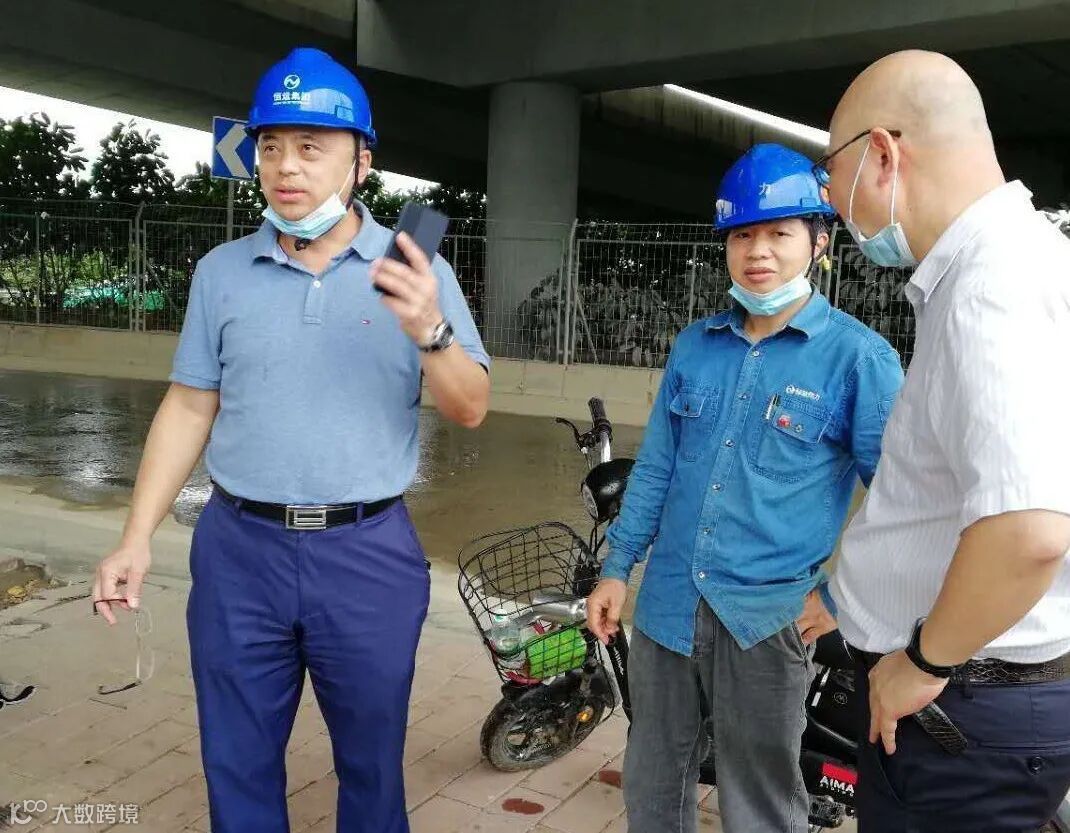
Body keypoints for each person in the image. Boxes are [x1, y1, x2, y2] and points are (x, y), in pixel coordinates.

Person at [91, 47, 490, 833]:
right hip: (239, 551)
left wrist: (428, 327)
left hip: (367, 554)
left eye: (312, 146)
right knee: (235, 761)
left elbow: (471, 407)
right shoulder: (222, 272)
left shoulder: (417, 269)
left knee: (371, 765)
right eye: (271, 145)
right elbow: (189, 406)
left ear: (361, 162)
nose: (286, 166)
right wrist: (135, 536)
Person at [586, 143, 904, 833]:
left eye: (779, 233)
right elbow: (657, 469)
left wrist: (842, 597)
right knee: (653, 778)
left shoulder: (859, 359)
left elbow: (901, 501)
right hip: (668, 606)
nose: (757, 251)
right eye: (741, 235)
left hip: (768, 620)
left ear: (819, 242)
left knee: (759, 798)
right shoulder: (694, 346)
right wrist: (617, 567)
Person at [818, 50, 1070, 831]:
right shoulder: (1026, 260)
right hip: (979, 701)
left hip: (958, 713)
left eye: (834, 176)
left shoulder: (992, 286)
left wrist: (922, 660)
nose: (834, 203)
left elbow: (1028, 530)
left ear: (883, 155)